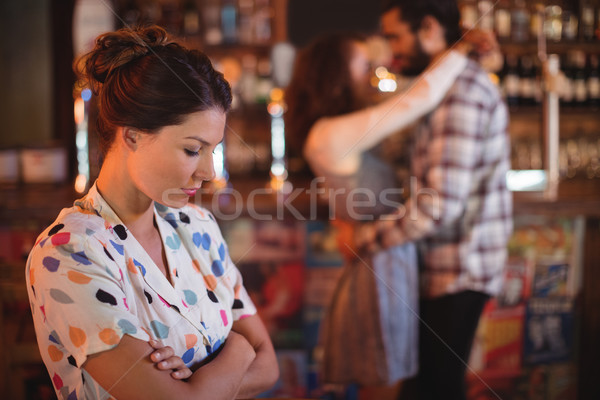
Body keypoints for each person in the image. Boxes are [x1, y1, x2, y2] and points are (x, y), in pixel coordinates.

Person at [25, 25, 278, 400]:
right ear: (132, 136)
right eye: (193, 149)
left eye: (213, 150)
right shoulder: (68, 252)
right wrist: (239, 350)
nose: (209, 172)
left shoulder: (198, 225)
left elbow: (269, 366)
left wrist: (202, 380)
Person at [284, 32, 470, 392]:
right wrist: (461, 48)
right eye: (364, 66)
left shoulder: (331, 130)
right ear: (335, 76)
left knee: (386, 375)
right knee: (385, 378)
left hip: (382, 258)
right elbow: (420, 98)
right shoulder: (330, 134)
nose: (373, 74)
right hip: (382, 265)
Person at [367, 1, 512, 399]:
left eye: (396, 36)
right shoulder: (441, 87)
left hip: (460, 266)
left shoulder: (461, 91)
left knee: (434, 387)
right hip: (447, 264)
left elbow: (441, 202)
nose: (392, 50)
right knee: (424, 385)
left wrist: (369, 241)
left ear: (428, 28)